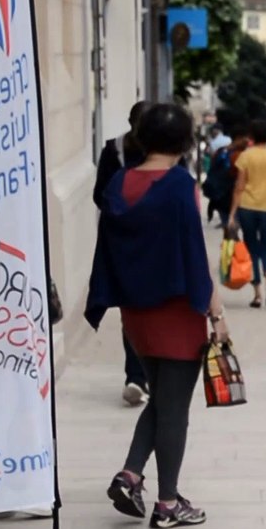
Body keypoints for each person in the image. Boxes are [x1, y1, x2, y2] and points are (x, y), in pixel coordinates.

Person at [86, 103, 227, 529]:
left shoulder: (119, 183)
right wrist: (215, 310)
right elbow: (192, 250)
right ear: (186, 142)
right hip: (178, 309)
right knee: (174, 409)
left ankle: (131, 475)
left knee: (162, 399)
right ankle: (167, 503)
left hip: (136, 313)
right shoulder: (179, 184)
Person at [93, 100, 152, 406]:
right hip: (154, 244)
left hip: (120, 242)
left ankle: (136, 376)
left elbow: (98, 194)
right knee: (151, 309)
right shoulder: (162, 154)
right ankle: (146, 374)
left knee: (130, 310)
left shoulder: (112, 149)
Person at [228, 119, 266, 307]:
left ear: (252, 136)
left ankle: (257, 294)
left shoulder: (246, 156)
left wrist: (232, 214)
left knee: (251, 248)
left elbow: (239, 187)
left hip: (247, 206)